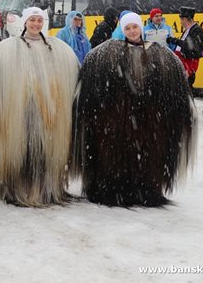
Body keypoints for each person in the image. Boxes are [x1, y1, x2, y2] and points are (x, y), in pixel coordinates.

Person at [71, 12, 196, 207]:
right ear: (122, 30)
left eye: (134, 27)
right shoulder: (104, 54)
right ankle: (114, 188)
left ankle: (142, 188)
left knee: (145, 155)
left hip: (147, 122)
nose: (131, 31)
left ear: (140, 28)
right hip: (117, 121)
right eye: (127, 28)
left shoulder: (161, 55)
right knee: (116, 154)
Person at [0, 7, 80, 207]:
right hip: (20, 110)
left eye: (39, 20)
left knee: (45, 150)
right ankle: (17, 188)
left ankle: (45, 189)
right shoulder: (7, 49)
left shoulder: (58, 48)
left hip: (48, 113)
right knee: (22, 149)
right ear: (25, 22)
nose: (36, 24)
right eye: (32, 20)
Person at [166, 7, 203, 88]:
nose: (180, 22)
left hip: (188, 65)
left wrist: (174, 40)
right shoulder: (189, 29)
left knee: (185, 90)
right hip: (182, 63)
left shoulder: (197, 30)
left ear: (186, 19)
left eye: (181, 20)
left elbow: (192, 49)